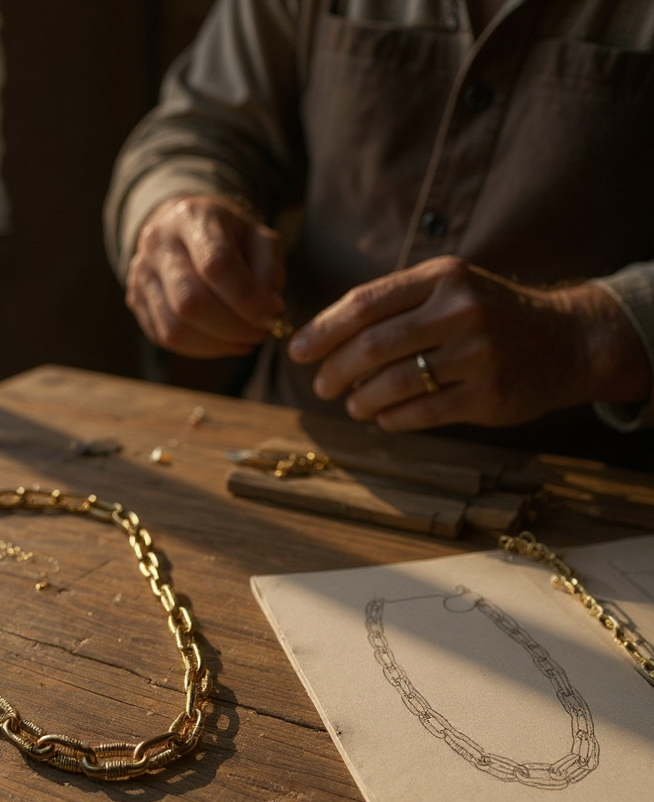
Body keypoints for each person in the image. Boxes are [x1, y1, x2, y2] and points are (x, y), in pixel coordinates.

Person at [104, 0, 654, 465]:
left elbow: (593, 339)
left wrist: (583, 340)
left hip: (590, 492)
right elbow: (201, 126)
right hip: (290, 448)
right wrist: (174, 208)